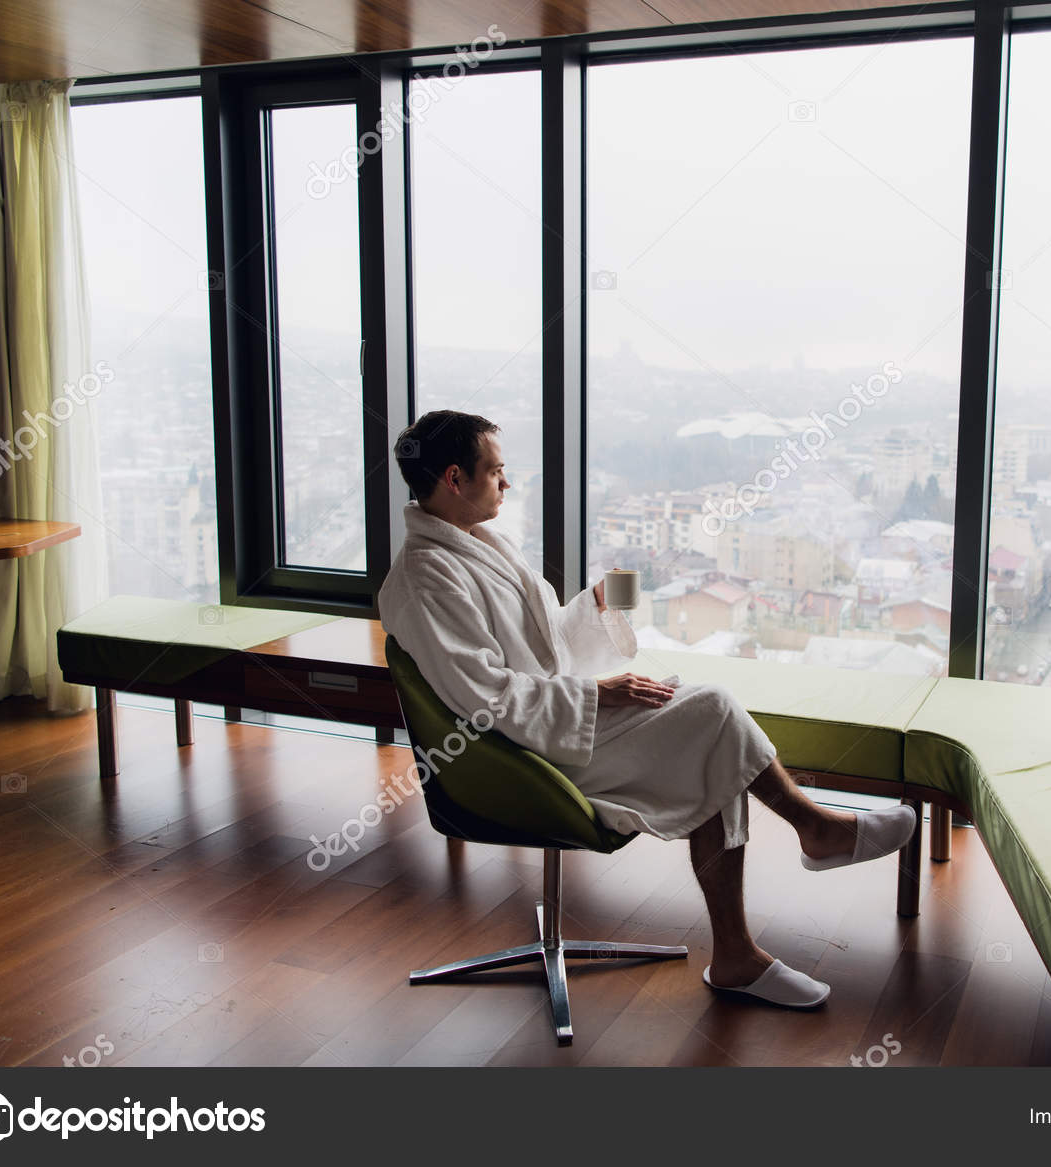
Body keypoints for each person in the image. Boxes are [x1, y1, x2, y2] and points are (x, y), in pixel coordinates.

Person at [377, 410, 916, 1008]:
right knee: (711, 711)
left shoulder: (479, 544)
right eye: (497, 471)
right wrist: (600, 693)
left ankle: (749, 937)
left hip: (547, 730)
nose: (507, 483)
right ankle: (810, 835)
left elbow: (539, 649)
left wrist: (594, 609)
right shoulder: (428, 577)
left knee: (710, 736)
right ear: (454, 478)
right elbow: (485, 697)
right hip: (514, 761)